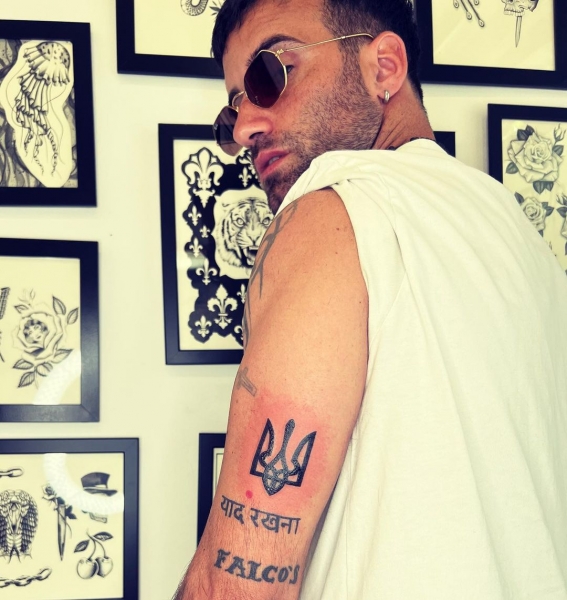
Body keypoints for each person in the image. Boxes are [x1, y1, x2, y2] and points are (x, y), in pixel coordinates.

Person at [175, 0, 567, 598]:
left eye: (268, 74)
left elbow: (239, 585)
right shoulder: (521, 240)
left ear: (384, 66)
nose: (246, 126)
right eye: (231, 113)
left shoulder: (331, 212)